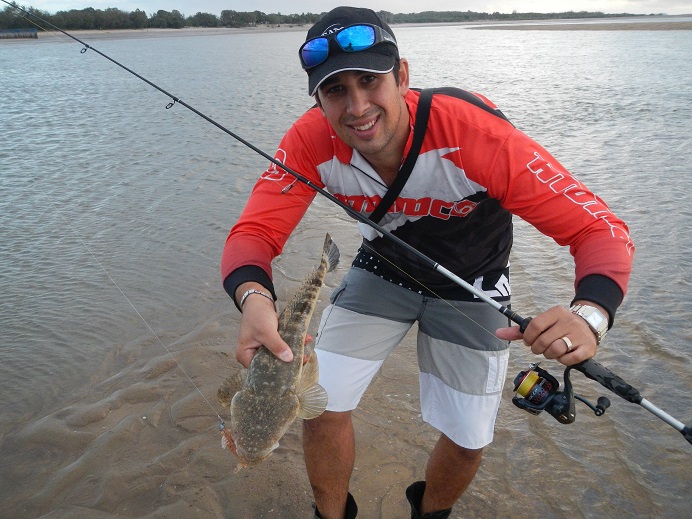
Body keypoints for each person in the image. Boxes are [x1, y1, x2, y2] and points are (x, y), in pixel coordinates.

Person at [221, 6, 634, 519]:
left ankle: (430, 514)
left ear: (402, 77)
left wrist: (589, 314)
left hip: (474, 284)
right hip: (382, 270)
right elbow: (253, 234)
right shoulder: (310, 140)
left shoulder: (475, 136)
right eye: (335, 90)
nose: (357, 107)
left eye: (370, 81)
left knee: (468, 437)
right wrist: (253, 298)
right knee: (321, 405)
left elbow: (600, 229)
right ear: (318, 100)